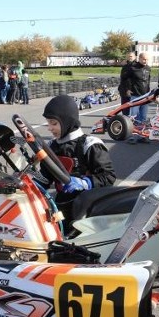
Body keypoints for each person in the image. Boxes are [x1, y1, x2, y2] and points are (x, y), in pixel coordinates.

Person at [41, 95, 116, 232]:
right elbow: (45, 177)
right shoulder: (52, 147)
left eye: (54, 123)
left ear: (66, 121)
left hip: (89, 206)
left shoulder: (90, 145)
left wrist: (85, 182)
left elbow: (108, 176)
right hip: (61, 204)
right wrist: (30, 184)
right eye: (48, 123)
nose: (49, 128)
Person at [126, 52, 151, 124]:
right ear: (139, 59)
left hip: (145, 96)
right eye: (144, 59)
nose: (145, 61)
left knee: (143, 116)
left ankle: (141, 130)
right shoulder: (133, 68)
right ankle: (132, 129)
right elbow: (126, 78)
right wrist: (128, 89)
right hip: (135, 95)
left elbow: (148, 80)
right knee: (133, 115)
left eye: (147, 60)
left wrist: (149, 93)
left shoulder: (148, 68)